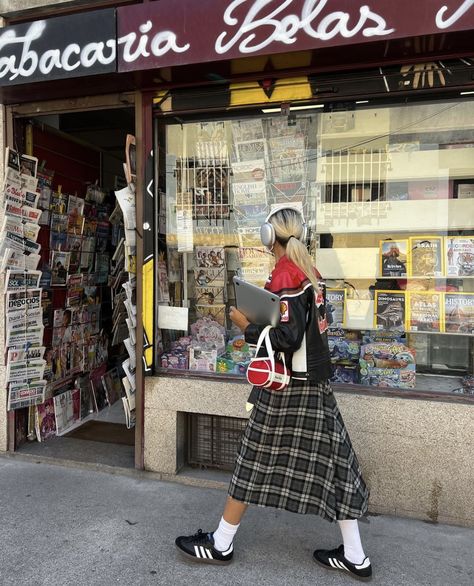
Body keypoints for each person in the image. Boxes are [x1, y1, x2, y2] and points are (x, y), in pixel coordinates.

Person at [175, 208, 372, 581]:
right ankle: (356, 556)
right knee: (336, 464)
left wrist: (247, 327)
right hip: (313, 384)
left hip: (286, 387)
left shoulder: (286, 274)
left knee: (253, 459)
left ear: (270, 236)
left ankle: (221, 543)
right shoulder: (309, 271)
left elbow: (286, 337)